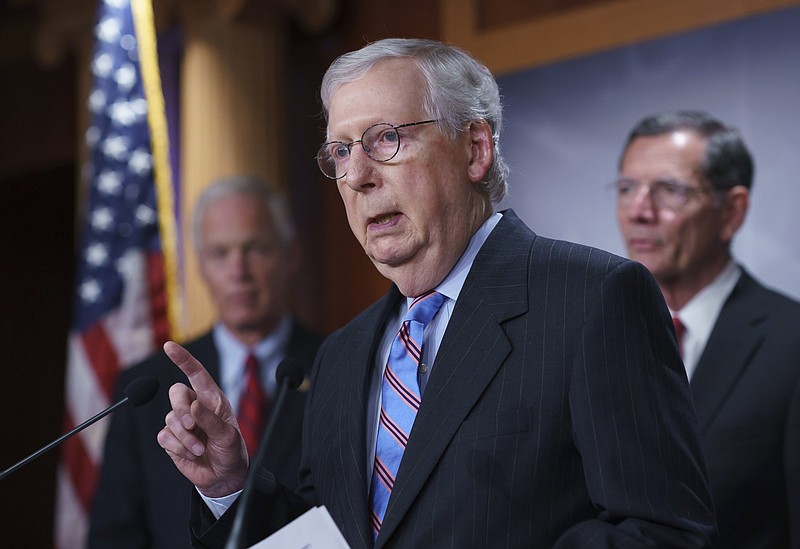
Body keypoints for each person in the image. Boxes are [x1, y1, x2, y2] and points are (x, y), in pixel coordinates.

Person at [157, 39, 717, 548]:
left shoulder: (594, 300)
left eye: (385, 139)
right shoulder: (340, 357)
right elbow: (331, 538)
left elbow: (664, 533)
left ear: (475, 149)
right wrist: (232, 485)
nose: (357, 176)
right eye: (343, 152)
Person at [87, 176, 325, 548]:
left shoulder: (338, 365)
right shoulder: (146, 388)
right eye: (220, 253)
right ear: (199, 266)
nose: (238, 271)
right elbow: (113, 536)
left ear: (290, 255)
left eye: (256, 249)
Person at [614, 110, 800, 549]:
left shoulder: (790, 343)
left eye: (670, 191)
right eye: (626, 189)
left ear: (732, 211)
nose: (640, 211)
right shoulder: (600, 339)